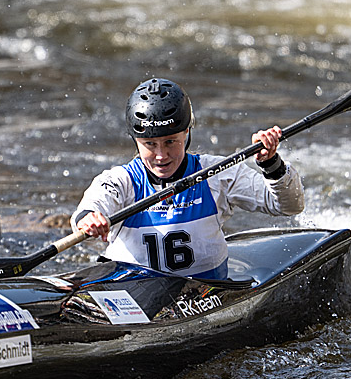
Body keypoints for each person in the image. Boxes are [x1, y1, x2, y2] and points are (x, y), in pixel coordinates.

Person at [72, 77, 305, 280]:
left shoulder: (217, 172)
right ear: (136, 142)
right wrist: (89, 219)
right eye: (150, 145)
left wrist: (270, 163)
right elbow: (90, 208)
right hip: (130, 292)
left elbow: (289, 206)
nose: (161, 155)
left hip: (204, 293)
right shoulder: (119, 181)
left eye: (171, 141)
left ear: (187, 133)